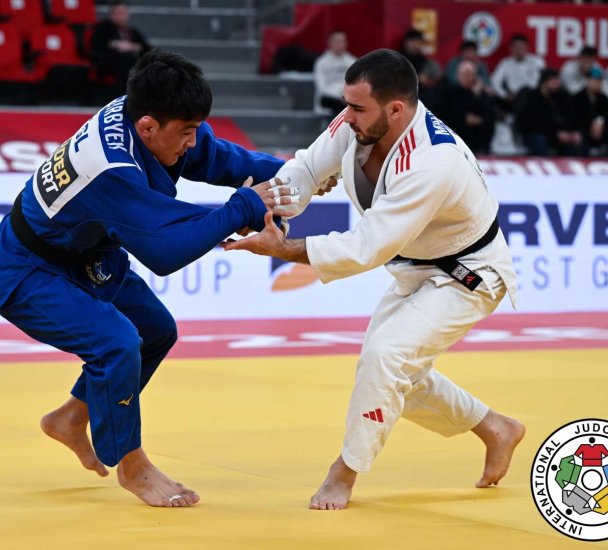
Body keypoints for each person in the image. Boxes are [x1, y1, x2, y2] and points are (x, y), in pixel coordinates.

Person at [0, 50, 298, 508]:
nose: (191, 141)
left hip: (83, 253)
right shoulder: (112, 168)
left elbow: (216, 155)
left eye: (194, 129)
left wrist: (295, 174)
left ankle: (71, 418)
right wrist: (243, 207)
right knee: (116, 343)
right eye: (185, 132)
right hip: (26, 269)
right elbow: (165, 252)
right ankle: (132, 465)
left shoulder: (147, 114)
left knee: (155, 330)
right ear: (148, 127)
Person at [223, 49, 525, 510]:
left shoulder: (433, 162)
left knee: (385, 358)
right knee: (394, 373)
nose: (346, 116)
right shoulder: (358, 122)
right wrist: (268, 209)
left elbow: (367, 247)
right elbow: (308, 168)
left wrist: (284, 249)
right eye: (346, 104)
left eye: (357, 107)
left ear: (395, 109)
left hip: (468, 273)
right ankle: (496, 428)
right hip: (414, 264)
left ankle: (344, 472)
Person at [515, 68, 582, 156]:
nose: (557, 83)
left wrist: (574, 131)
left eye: (558, 80)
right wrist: (556, 134)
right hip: (534, 133)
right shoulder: (532, 98)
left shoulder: (562, 96)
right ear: (544, 83)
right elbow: (534, 123)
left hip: (556, 134)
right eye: (554, 80)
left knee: (574, 142)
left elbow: (570, 116)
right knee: (540, 141)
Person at [90, 0, 151, 95]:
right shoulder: (103, 28)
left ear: (127, 14)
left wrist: (133, 46)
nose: (119, 16)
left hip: (132, 64)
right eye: (116, 13)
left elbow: (146, 48)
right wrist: (116, 44)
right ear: (111, 14)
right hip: (108, 64)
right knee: (125, 60)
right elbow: (97, 45)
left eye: (122, 12)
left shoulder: (132, 32)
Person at [441, 60, 494, 153]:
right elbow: (453, 115)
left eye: (470, 75)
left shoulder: (481, 94)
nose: (468, 78)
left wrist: (477, 96)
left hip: (479, 141)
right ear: (458, 76)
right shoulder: (450, 93)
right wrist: (467, 118)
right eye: (465, 75)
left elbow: (489, 116)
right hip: (457, 140)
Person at [491, 34, 545, 110]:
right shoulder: (505, 63)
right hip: (512, 97)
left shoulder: (536, 61)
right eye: (516, 47)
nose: (519, 50)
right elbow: (495, 81)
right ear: (510, 48)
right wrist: (505, 95)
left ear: (527, 48)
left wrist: (522, 95)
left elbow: (537, 82)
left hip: (532, 96)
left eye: (521, 47)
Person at [571, 67, 608, 156]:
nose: (598, 83)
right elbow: (576, 118)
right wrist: (592, 124)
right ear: (588, 80)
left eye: (600, 81)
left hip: (601, 130)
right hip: (585, 130)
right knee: (578, 137)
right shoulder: (577, 98)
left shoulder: (603, 98)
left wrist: (599, 121)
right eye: (595, 80)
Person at [314, 30, 357, 116]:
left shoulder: (352, 62)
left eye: (340, 41)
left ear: (345, 43)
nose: (338, 44)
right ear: (329, 43)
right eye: (335, 41)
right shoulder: (321, 62)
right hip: (328, 99)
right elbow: (321, 87)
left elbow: (356, 84)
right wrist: (339, 96)